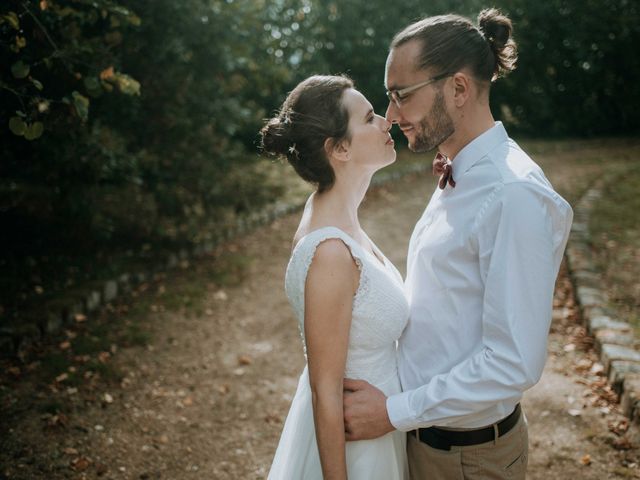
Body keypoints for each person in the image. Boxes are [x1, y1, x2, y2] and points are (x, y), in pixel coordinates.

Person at [342, 9, 573, 479]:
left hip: (467, 459)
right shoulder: (460, 171)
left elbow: (513, 363)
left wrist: (393, 411)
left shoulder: (513, 195)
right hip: (424, 440)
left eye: (401, 96)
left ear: (459, 89)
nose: (392, 115)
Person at [262, 75, 409, 479]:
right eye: (368, 118)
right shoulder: (329, 251)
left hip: (381, 429)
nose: (386, 121)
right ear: (339, 148)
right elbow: (325, 392)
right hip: (359, 451)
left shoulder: (340, 218)